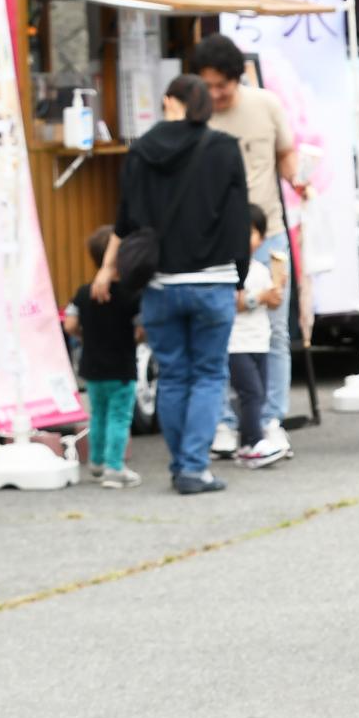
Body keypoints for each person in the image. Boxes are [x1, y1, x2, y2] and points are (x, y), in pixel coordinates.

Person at [96, 75, 251, 496]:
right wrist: (241, 274)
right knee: (207, 374)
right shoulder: (222, 148)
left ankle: (178, 463)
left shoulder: (141, 150)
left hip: (160, 283)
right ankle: (192, 468)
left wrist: (111, 267)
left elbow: (126, 220)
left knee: (175, 374)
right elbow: (239, 218)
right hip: (212, 282)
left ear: (169, 101)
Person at [193, 34, 303, 462]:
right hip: (216, 238)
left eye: (223, 85)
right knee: (219, 327)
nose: (217, 94)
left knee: (274, 327)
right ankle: (223, 422)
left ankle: (271, 418)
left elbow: (286, 154)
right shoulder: (196, 116)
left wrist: (299, 179)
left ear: (238, 78)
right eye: (209, 85)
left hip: (269, 233)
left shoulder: (266, 105)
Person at [65, 225, 142, 489]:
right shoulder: (132, 295)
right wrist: (135, 338)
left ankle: (95, 463)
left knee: (97, 415)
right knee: (120, 417)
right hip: (121, 367)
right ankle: (114, 467)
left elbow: (70, 325)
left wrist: (86, 337)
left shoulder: (83, 293)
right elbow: (142, 328)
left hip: (92, 366)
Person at [228, 206, 289, 470]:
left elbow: (273, 305)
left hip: (259, 343)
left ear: (261, 239)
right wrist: (261, 297)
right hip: (236, 344)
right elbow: (233, 303)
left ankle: (246, 443)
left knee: (258, 394)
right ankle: (254, 442)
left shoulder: (262, 269)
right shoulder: (231, 271)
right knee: (251, 393)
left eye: (251, 233)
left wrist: (277, 289)